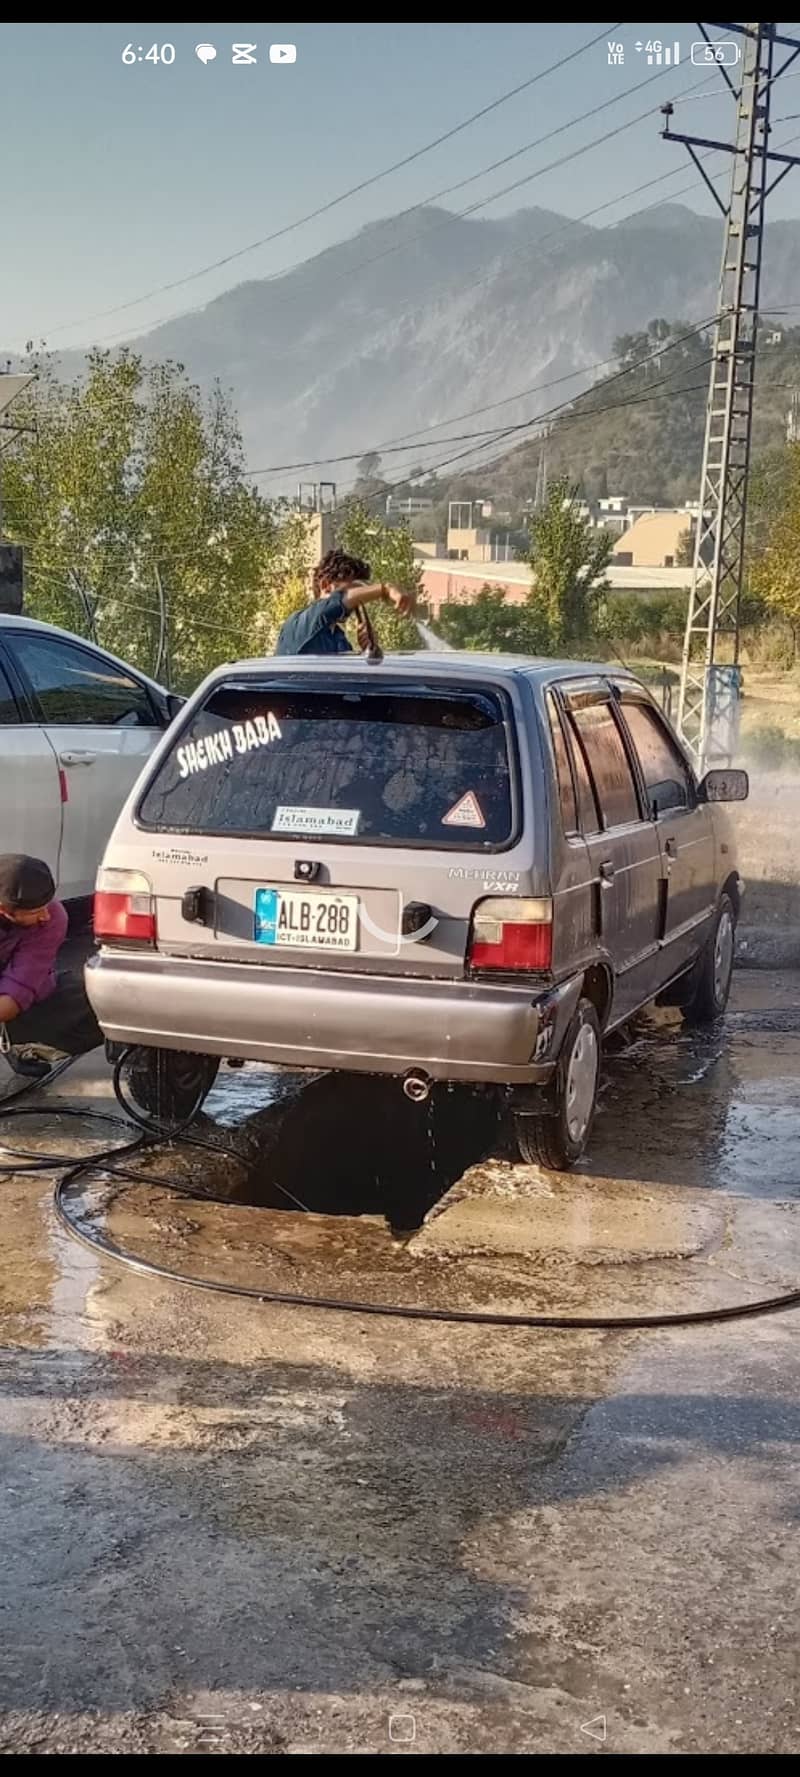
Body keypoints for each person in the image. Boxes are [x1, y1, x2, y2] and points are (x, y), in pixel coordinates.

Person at [0, 854, 92, 1081]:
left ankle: (17, 1044)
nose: (46, 915)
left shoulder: (54, 917)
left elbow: (20, 987)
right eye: (35, 912)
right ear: (3, 909)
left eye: (46, 905)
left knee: (99, 1001)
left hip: (16, 998)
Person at [275, 549, 415, 657]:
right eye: (353, 590)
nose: (357, 601)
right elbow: (339, 601)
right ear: (326, 585)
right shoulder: (302, 622)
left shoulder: (338, 638)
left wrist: (367, 651)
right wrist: (384, 589)